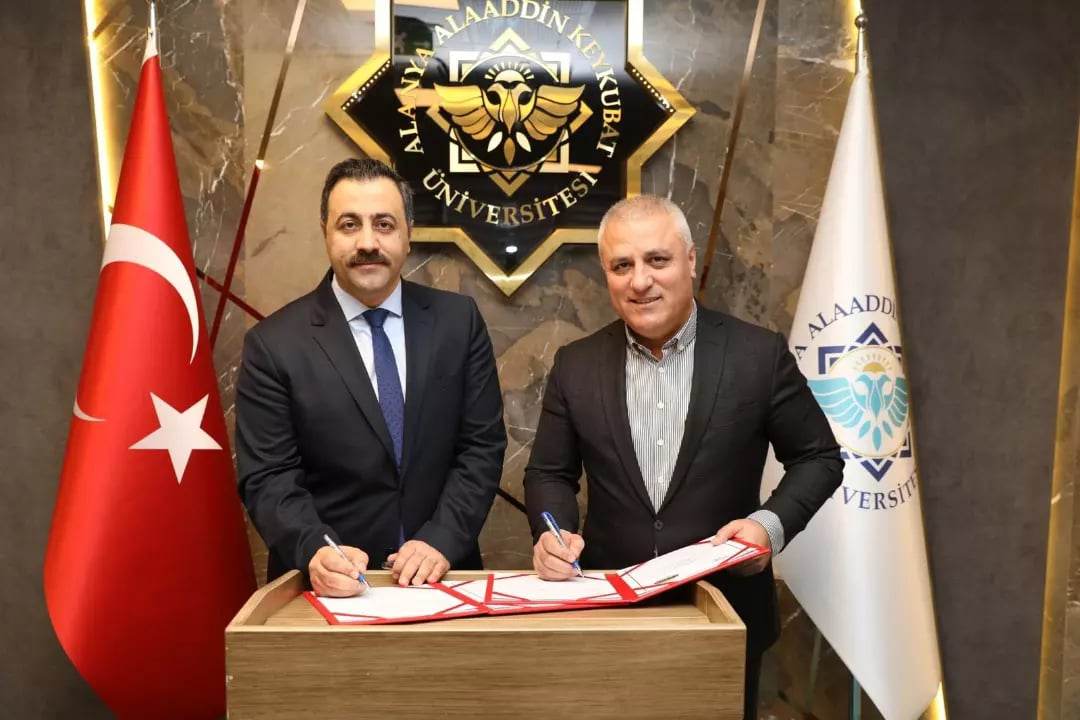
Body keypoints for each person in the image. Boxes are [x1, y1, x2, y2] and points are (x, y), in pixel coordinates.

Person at [523, 195, 843, 718]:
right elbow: (548, 472)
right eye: (621, 266)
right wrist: (552, 533)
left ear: (690, 261)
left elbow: (819, 457)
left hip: (726, 615)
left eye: (657, 260)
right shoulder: (575, 364)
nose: (640, 281)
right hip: (608, 616)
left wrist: (767, 528)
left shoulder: (757, 355)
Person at [236, 158, 506, 597]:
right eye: (349, 225)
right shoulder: (273, 344)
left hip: (442, 579)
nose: (367, 242)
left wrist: (441, 538)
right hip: (328, 587)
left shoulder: (458, 322)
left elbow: (482, 446)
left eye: (384, 224)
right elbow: (268, 476)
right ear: (325, 232)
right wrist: (315, 548)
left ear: (408, 233)